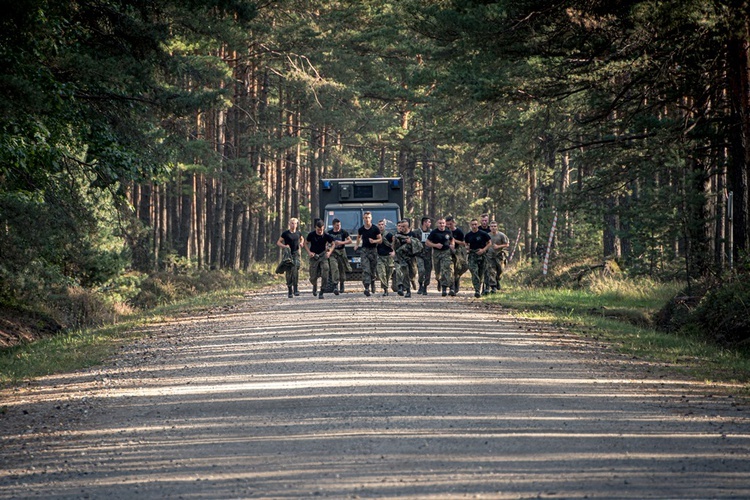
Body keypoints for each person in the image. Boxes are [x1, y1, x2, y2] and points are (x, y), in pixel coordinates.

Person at [305, 219, 335, 298]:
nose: (320, 231)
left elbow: (333, 244)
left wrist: (329, 252)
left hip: (323, 255)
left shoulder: (326, 235)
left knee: (325, 271)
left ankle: (322, 291)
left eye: (321, 230)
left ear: (323, 228)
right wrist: (309, 252)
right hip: (314, 256)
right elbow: (305, 243)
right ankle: (314, 285)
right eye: (318, 230)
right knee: (313, 276)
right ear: (315, 228)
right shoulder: (311, 235)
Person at [354, 211, 381, 296]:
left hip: (373, 250)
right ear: (363, 218)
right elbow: (358, 237)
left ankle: (372, 281)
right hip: (364, 250)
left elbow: (380, 240)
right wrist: (357, 245)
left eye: (368, 218)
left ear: (371, 218)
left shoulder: (375, 228)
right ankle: (366, 287)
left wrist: (374, 241)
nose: (367, 219)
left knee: (373, 270)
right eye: (365, 218)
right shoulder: (361, 229)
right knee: (366, 269)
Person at [425, 217, 455, 296]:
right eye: (440, 223)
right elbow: (427, 242)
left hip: (446, 252)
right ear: (437, 224)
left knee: (446, 269)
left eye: (443, 223)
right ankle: (439, 280)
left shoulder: (448, 232)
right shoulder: (434, 232)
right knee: (438, 271)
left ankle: (445, 288)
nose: (441, 225)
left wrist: (452, 245)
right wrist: (435, 245)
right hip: (437, 253)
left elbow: (452, 239)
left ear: (445, 224)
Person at [393, 219, 420, 298]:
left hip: (411, 257)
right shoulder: (397, 235)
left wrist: (411, 242)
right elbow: (394, 247)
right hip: (402, 258)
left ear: (408, 227)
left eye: (404, 226)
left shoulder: (413, 234)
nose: (402, 228)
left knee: (413, 273)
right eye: (401, 226)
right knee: (404, 273)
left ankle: (412, 280)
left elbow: (419, 245)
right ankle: (408, 290)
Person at [465, 218, 492, 298]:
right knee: (474, 271)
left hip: (482, 255)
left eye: (475, 224)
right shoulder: (468, 235)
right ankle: (477, 290)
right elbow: (466, 243)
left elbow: (489, 243)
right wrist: (467, 248)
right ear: (470, 225)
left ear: (478, 225)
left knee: (481, 273)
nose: (474, 226)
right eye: (472, 224)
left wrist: (483, 250)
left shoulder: (483, 234)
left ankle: (480, 288)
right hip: (472, 255)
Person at [276, 217, 302, 298]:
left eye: (295, 223)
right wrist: (285, 246)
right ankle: (290, 289)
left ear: (297, 225)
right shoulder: (285, 234)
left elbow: (302, 239)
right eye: (292, 223)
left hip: (295, 254)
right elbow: (278, 242)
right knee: (289, 272)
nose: (293, 225)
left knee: (295, 270)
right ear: (289, 224)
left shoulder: (298, 233)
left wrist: (301, 243)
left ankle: (296, 289)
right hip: (288, 255)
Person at [328, 218, 352, 294]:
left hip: (341, 252)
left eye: (339, 225)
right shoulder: (329, 233)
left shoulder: (343, 232)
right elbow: (325, 242)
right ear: (333, 225)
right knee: (334, 268)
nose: (338, 226)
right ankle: (335, 285)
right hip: (333, 252)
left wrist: (341, 242)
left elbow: (350, 241)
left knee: (342, 268)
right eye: (337, 225)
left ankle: (342, 284)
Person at [486, 220, 510, 293]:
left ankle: (497, 279)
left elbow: (507, 244)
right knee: (491, 270)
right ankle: (493, 287)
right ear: (490, 227)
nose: (493, 228)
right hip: (490, 256)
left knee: (500, 270)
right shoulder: (487, 235)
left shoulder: (501, 235)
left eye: (495, 226)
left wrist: (498, 246)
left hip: (499, 255)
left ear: (497, 227)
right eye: (492, 226)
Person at [446, 216, 467, 294]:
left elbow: (464, 243)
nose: (449, 226)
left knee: (461, 267)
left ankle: (457, 279)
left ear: (454, 223)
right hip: (447, 251)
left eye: (450, 224)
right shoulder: (445, 231)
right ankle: (452, 288)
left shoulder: (459, 232)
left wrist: (454, 240)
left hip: (457, 251)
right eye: (447, 224)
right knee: (450, 269)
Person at [412, 216, 433, 295]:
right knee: (421, 270)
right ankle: (420, 284)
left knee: (428, 271)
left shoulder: (431, 232)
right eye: (428, 222)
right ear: (424, 222)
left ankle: (425, 286)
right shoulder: (416, 232)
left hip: (428, 255)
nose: (430, 224)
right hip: (419, 254)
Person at [375, 219, 395, 296]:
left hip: (388, 257)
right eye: (379, 225)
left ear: (384, 226)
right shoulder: (376, 235)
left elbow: (394, 241)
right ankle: (385, 289)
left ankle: (386, 286)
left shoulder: (388, 235)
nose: (380, 226)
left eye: (382, 224)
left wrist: (393, 251)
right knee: (381, 273)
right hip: (380, 257)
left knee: (388, 274)